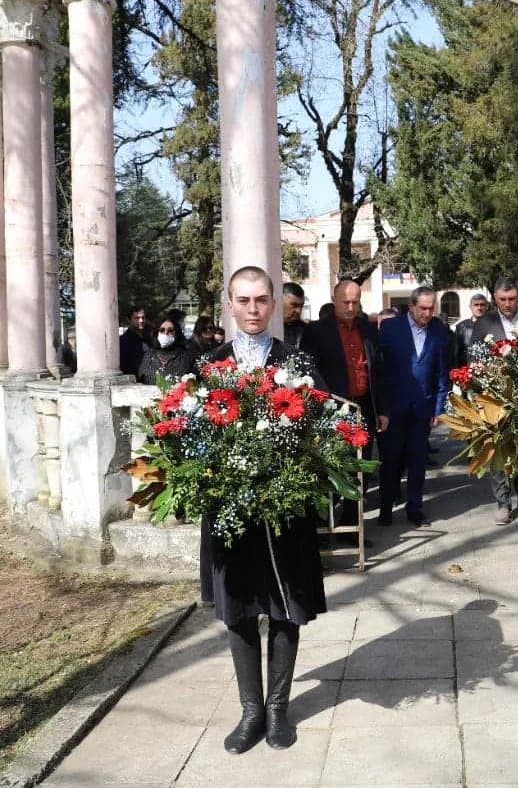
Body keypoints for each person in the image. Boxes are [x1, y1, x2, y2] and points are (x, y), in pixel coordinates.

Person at [206, 265, 327, 753]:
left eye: (261, 300)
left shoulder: (297, 362)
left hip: (285, 509)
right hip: (232, 510)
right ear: (230, 304)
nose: (253, 309)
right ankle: (250, 712)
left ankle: (277, 710)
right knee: (238, 609)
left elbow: (323, 426)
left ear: (273, 304)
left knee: (284, 607)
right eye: (244, 300)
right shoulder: (210, 365)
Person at [301, 280, 389, 545]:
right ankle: (322, 528)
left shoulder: (369, 330)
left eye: (355, 302)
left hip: (363, 407)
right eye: (345, 302)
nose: (351, 307)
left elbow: (378, 372)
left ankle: (351, 527)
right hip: (332, 411)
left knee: (358, 470)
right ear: (334, 299)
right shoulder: (317, 331)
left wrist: (382, 409)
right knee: (329, 469)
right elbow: (307, 374)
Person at [471, 277, 518, 523]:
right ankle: (503, 502)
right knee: (499, 448)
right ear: (495, 298)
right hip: (496, 397)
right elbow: (474, 361)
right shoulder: (484, 323)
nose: (508, 304)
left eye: (512, 299)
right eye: (502, 299)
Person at [377, 286, 450, 528]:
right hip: (394, 408)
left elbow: (442, 373)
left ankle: (415, 509)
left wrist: (439, 407)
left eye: (431, 309)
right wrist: (382, 408)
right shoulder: (390, 328)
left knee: (418, 462)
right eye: (423, 308)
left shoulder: (439, 331)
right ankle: (385, 509)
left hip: (422, 408)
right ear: (411, 306)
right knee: (391, 461)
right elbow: (380, 371)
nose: (427, 313)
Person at [136, 317, 196, 385]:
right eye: (162, 330)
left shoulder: (187, 355)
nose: (166, 333)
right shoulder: (149, 354)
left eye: (170, 330)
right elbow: (140, 378)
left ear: (177, 333)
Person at [453, 292, 489, 367]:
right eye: (476, 305)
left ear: (487, 306)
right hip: (466, 373)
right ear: (470, 307)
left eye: (482, 305)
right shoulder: (461, 327)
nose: (479, 308)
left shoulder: (494, 325)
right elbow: (456, 354)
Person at [119, 304, 150, 379]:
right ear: (129, 320)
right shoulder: (123, 341)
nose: (141, 320)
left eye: (143, 317)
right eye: (137, 318)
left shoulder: (149, 339)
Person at [282, 281, 307, 347]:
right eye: (294, 305)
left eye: (301, 306)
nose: (299, 311)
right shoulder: (268, 329)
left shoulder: (306, 330)